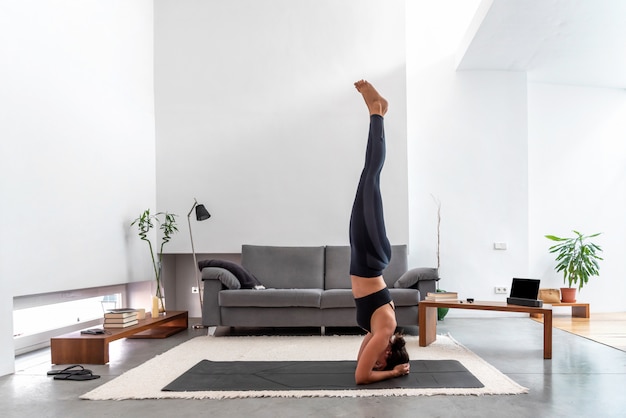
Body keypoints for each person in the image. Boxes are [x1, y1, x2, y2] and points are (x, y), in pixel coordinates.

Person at [350, 80, 410, 385]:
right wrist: (395, 372)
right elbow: (362, 376)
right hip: (371, 256)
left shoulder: (380, 333)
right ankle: (378, 113)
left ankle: (378, 112)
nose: (376, 360)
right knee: (371, 177)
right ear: (388, 354)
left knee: (367, 178)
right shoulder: (385, 330)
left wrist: (384, 366)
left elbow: (362, 364)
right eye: (382, 361)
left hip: (367, 256)